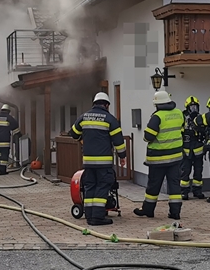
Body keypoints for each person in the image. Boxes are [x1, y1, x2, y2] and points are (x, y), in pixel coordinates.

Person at [70, 91, 127, 226]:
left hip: (88, 163)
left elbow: (73, 133)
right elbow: (118, 141)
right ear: (106, 105)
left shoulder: (84, 117)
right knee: (102, 186)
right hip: (104, 163)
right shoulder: (110, 119)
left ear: (94, 103)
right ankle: (97, 217)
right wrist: (122, 156)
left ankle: (89, 216)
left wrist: (82, 138)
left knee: (89, 186)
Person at [134, 90, 184, 220]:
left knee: (154, 185)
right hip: (175, 157)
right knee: (174, 185)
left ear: (157, 104)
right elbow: (181, 130)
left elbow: (148, 136)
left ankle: (148, 210)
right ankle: (175, 212)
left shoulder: (157, 117)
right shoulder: (179, 113)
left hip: (158, 158)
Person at [179, 95, 207, 200]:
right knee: (185, 171)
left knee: (198, 172)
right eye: (192, 107)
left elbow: (205, 131)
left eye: (195, 106)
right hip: (186, 150)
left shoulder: (200, 117)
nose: (194, 109)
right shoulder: (182, 117)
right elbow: (179, 132)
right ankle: (184, 192)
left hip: (198, 150)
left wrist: (200, 128)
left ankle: (197, 191)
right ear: (187, 108)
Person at [0, 104, 18, 175]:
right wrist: (18, 134)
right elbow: (15, 126)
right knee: (5, 154)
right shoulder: (8, 117)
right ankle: (2, 170)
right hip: (5, 140)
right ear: (8, 111)